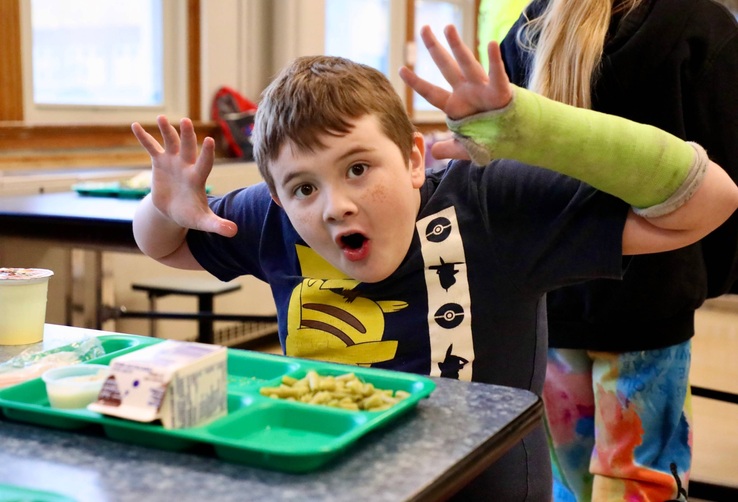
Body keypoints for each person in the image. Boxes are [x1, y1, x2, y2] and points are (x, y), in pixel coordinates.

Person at [130, 25, 738, 501]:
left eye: (359, 169)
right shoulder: (272, 216)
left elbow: (709, 200)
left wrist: (535, 129)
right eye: (304, 188)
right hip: (331, 482)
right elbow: (163, 244)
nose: (336, 206)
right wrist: (165, 208)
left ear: (415, 159)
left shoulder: (487, 205)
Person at [499, 0, 738, 500]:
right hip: (652, 301)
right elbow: (726, 184)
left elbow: (507, 178)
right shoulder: (700, 27)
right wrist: (705, 280)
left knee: (566, 486)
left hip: (551, 297)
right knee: (641, 483)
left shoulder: (530, 26)